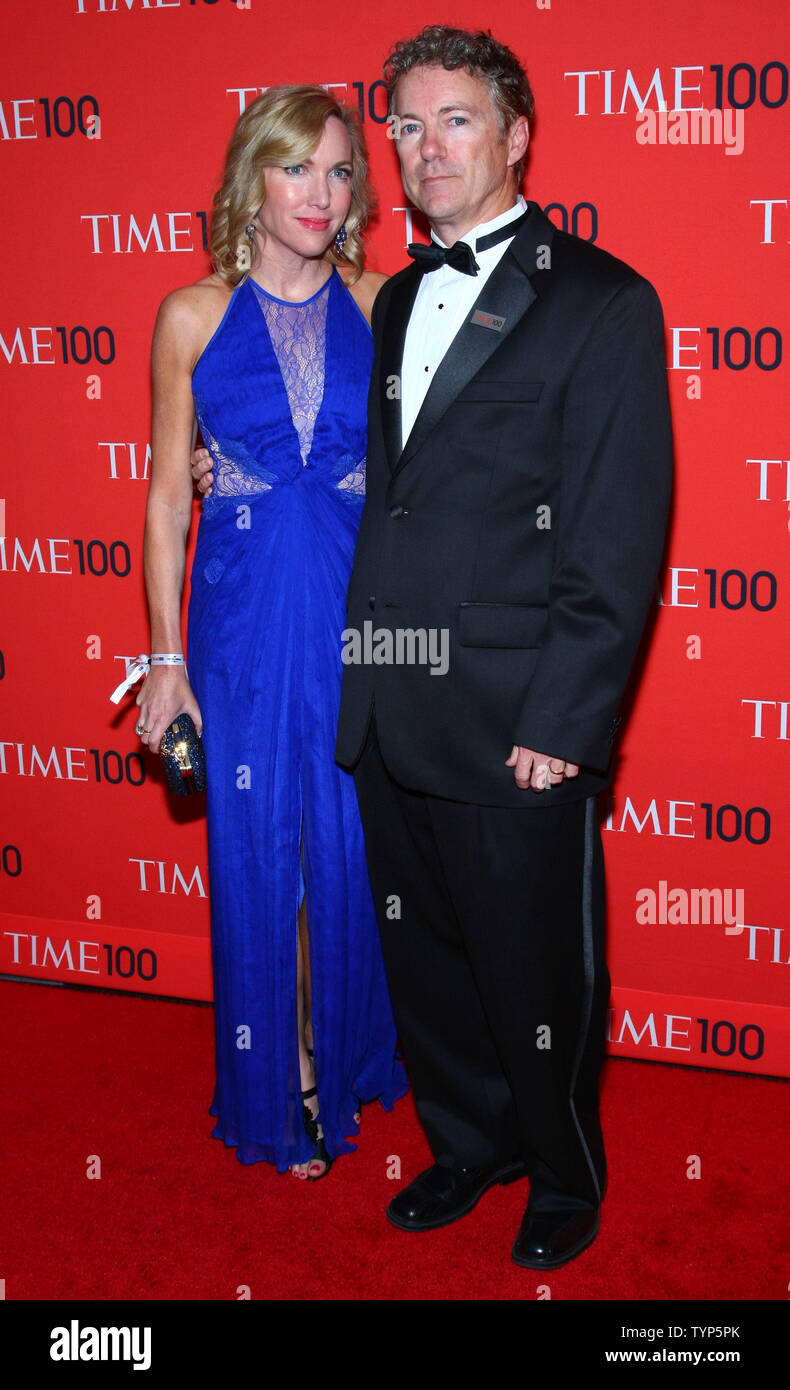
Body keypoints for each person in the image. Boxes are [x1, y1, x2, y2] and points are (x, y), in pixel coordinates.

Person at [332, 26, 673, 1266]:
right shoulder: (399, 299)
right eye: (406, 126)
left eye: (455, 119)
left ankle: (562, 1173)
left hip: (514, 710)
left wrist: (566, 721)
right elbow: (399, 494)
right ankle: (469, 1143)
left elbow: (617, 534)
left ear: (517, 133)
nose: (426, 148)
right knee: (425, 956)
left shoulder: (602, 301)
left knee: (537, 971)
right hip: (391, 695)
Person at [137, 85, 407, 1182]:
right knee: (261, 861)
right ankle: (286, 1069)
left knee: (349, 850)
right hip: (243, 617)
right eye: (297, 167)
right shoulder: (192, 315)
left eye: (340, 172)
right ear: (252, 178)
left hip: (354, 610)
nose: (319, 192)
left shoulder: (385, 304)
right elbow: (164, 498)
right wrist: (164, 661)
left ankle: (346, 1054)